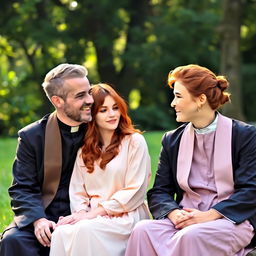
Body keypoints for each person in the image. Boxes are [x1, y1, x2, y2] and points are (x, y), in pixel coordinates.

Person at [125, 64, 256, 256]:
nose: (173, 103)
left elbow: (251, 190)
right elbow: (160, 191)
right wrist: (174, 213)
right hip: (185, 218)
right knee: (142, 230)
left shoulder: (244, 135)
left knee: (191, 236)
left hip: (230, 220)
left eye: (178, 96)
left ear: (200, 99)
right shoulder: (172, 140)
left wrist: (208, 216)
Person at [0, 63, 94, 256]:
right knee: (13, 241)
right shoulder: (33, 137)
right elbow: (22, 188)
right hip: (44, 214)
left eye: (89, 92)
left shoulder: (101, 131)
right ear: (57, 101)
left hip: (89, 214)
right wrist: (38, 220)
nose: (90, 100)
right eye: (80, 96)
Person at [49, 83, 151, 256]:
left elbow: (136, 189)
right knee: (61, 232)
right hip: (92, 215)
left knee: (85, 229)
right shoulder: (85, 150)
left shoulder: (134, 142)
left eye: (115, 108)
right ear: (92, 114)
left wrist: (92, 215)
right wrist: (81, 214)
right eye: (103, 110)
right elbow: (77, 191)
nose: (112, 114)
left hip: (126, 216)